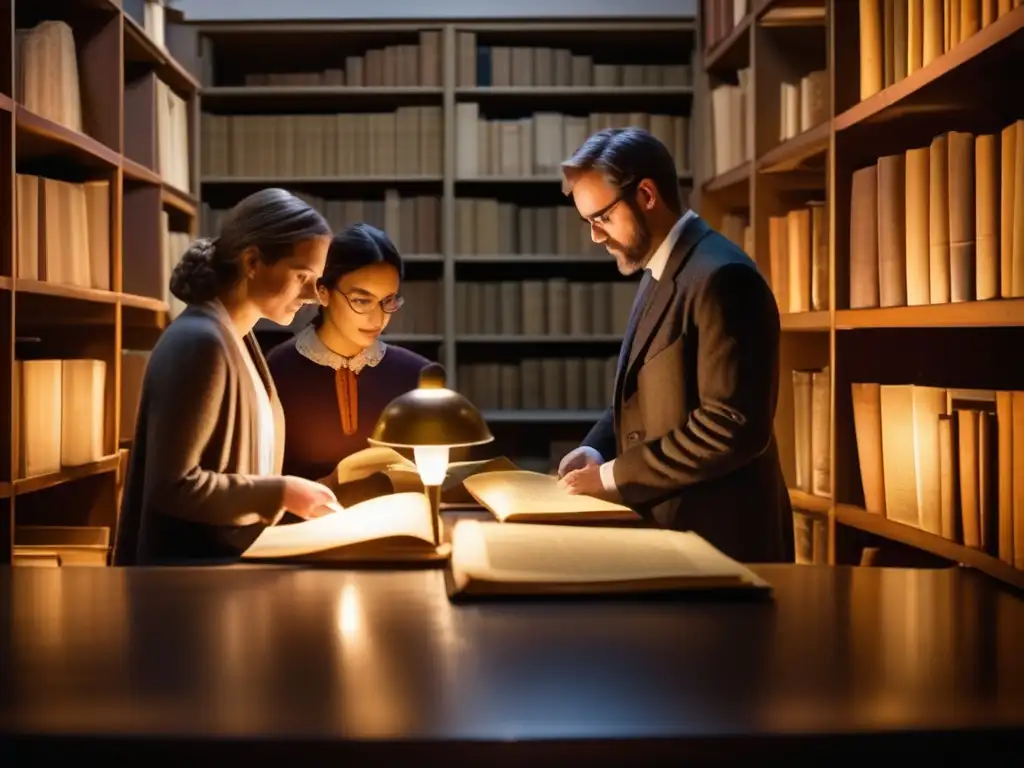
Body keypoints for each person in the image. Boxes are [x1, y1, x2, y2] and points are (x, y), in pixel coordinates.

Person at [556, 127, 794, 563]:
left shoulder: (723, 277)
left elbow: (731, 427)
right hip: (678, 540)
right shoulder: (663, 267)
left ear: (646, 194)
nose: (595, 236)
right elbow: (642, 394)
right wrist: (596, 450)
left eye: (602, 218)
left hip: (722, 548)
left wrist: (610, 477)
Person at [113, 188, 339, 566]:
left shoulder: (239, 337)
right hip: (187, 586)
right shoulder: (200, 343)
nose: (313, 296)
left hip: (226, 571)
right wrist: (280, 493)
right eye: (302, 275)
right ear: (252, 261)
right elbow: (173, 486)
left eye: (316, 279)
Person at [266, 223, 431, 504]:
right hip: (303, 534)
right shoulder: (275, 371)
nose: (378, 319)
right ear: (323, 292)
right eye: (361, 301)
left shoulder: (417, 374)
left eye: (388, 301)